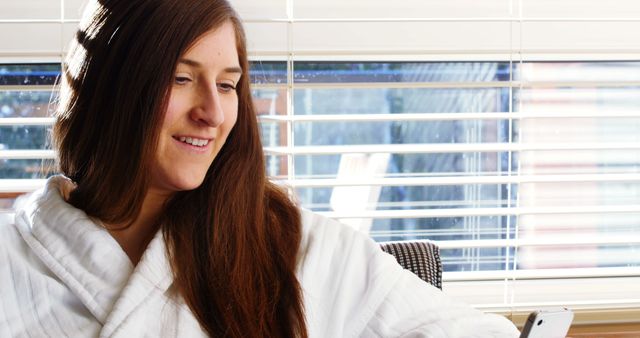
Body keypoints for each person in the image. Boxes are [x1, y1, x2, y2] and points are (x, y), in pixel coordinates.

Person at [0, 0, 521, 337]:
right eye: (182, 79)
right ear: (111, 91)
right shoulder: (13, 261)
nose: (213, 112)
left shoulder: (291, 244)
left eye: (227, 85)